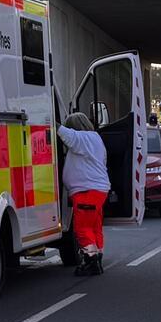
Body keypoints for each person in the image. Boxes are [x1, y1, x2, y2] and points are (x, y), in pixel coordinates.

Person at [59, 112, 111, 276]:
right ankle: (97, 256)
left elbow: (63, 133)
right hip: (97, 190)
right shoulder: (95, 139)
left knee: (83, 228)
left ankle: (91, 260)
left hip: (86, 190)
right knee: (95, 227)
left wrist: (46, 118)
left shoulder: (83, 138)